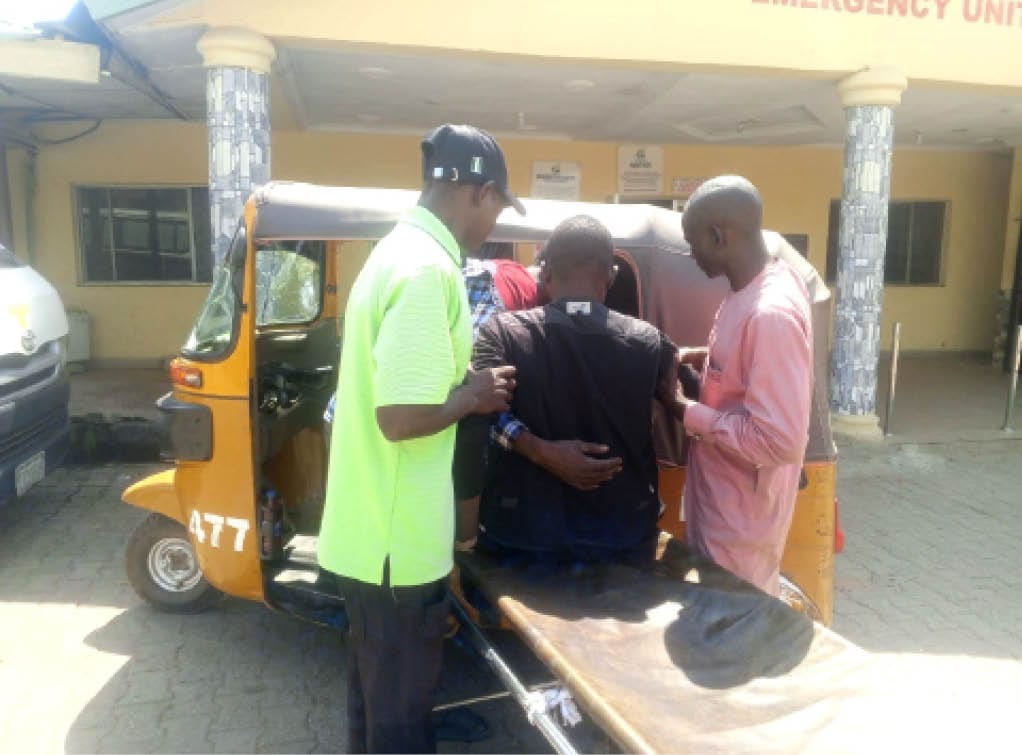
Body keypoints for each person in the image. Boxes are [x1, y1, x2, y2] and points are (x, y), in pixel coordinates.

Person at [317, 123, 522, 754]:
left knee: (377, 702)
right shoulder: (429, 271)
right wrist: (474, 395)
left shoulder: (393, 253)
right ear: (480, 193)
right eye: (497, 208)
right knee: (400, 721)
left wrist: (459, 389)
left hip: (370, 531)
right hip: (396, 547)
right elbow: (401, 418)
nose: (494, 224)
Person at [464, 214, 688, 565]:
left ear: (545, 273)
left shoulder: (502, 333)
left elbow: (482, 414)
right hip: (623, 535)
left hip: (523, 536)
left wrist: (539, 450)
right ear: (611, 276)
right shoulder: (649, 341)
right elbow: (686, 407)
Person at [675, 175, 813, 596]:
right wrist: (708, 359)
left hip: (739, 523)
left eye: (693, 242)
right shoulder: (750, 288)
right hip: (719, 499)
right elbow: (753, 365)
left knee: (733, 620)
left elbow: (778, 441)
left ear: (718, 236)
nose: (692, 254)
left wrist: (685, 410)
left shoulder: (771, 313)